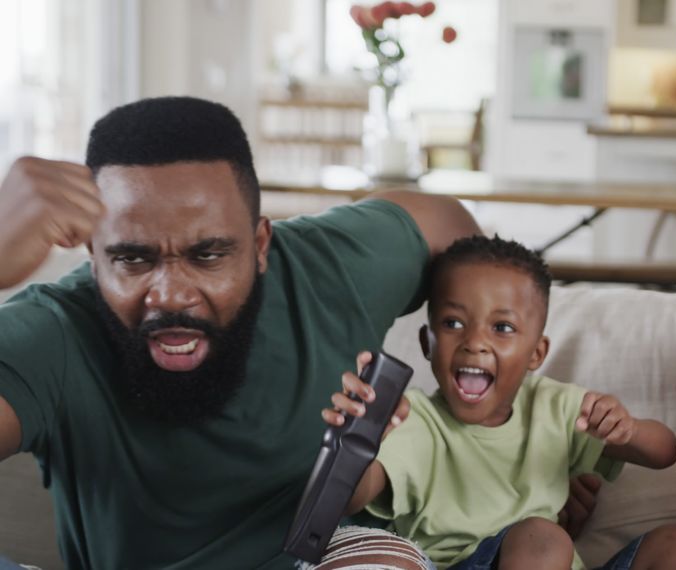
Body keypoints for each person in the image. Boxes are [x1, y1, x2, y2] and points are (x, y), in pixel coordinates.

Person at [0, 96, 479, 568]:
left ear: (260, 244)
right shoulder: (55, 334)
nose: (170, 294)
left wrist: (461, 388)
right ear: (94, 252)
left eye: (207, 255)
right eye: (132, 258)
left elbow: (443, 221)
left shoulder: (331, 267)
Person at [321, 235, 676, 570]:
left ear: (537, 354)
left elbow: (664, 452)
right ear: (427, 343)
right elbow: (356, 496)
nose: (475, 342)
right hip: (463, 564)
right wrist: (359, 441)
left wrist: (628, 430)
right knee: (543, 536)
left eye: (502, 328)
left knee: (673, 545)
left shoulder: (555, 406)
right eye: (453, 323)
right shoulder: (415, 419)